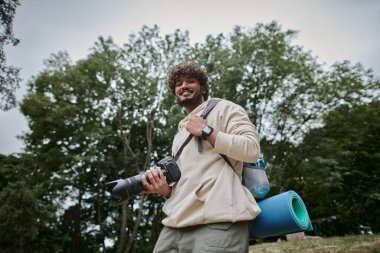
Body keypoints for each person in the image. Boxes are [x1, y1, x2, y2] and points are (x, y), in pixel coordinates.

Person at [142, 62, 261, 253]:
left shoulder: (225, 108)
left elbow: (251, 149)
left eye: (191, 81)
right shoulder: (180, 132)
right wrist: (167, 191)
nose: (183, 86)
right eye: (178, 84)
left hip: (219, 221)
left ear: (203, 87)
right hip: (174, 224)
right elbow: (190, 177)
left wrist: (206, 131)